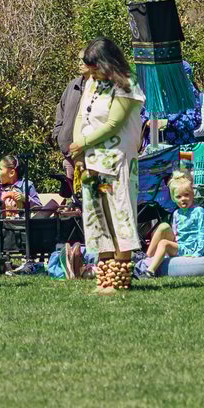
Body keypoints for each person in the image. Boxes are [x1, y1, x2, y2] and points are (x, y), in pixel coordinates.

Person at [67, 38, 145, 293]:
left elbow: (114, 123)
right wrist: (78, 149)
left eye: (95, 66)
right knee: (97, 217)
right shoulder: (92, 82)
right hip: (92, 161)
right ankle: (105, 276)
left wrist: (82, 143)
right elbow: (81, 115)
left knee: (118, 214)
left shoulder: (127, 84)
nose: (91, 72)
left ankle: (120, 276)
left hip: (118, 160)